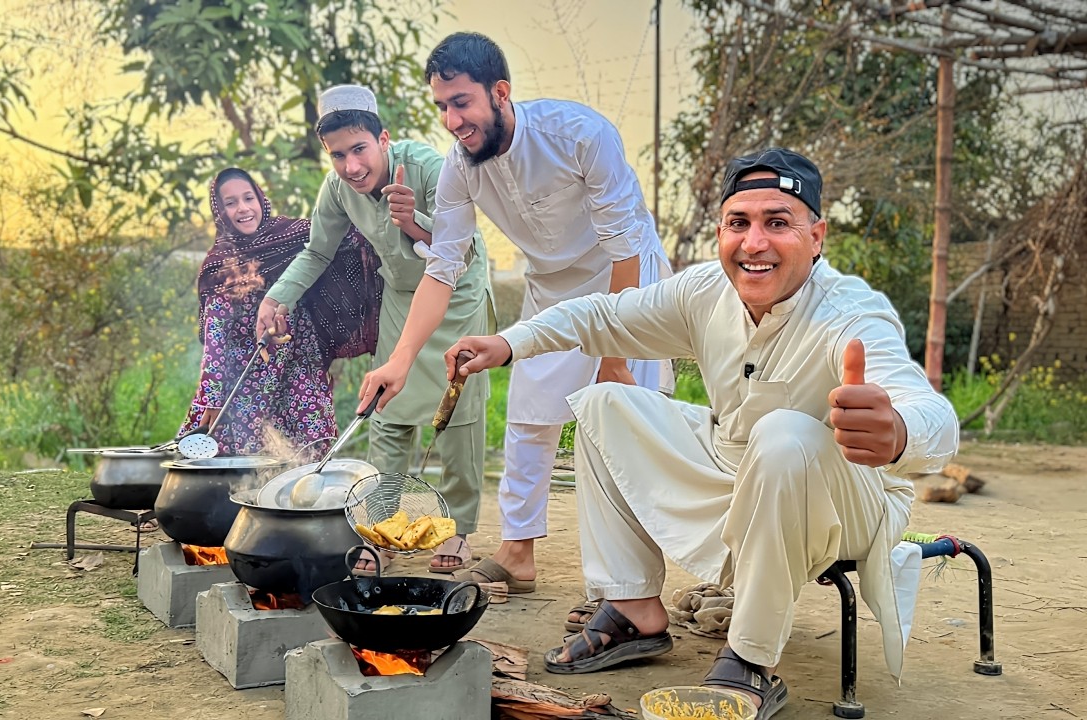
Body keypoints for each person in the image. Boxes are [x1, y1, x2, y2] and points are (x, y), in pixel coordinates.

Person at [445, 148, 960, 719]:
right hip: (730, 465)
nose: (754, 243)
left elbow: (931, 412)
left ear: (817, 236)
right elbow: (601, 315)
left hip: (840, 500)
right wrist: (510, 343)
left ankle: (750, 657)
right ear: (721, 230)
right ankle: (634, 608)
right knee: (603, 404)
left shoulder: (851, 315)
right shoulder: (704, 291)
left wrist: (898, 431)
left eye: (777, 223)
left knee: (784, 434)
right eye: (739, 223)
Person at [357, 31, 674, 595]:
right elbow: (441, 268)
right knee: (529, 416)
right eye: (442, 107)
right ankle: (517, 553)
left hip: (627, 282)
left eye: (462, 103)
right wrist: (400, 361)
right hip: (551, 287)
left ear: (499, 92)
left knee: (624, 425)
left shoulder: (580, 135)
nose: (452, 121)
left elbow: (625, 246)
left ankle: (628, 589)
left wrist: (613, 357)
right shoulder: (461, 168)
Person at [257, 85, 494, 573]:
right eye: (338, 155)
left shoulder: (430, 167)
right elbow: (318, 252)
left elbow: (461, 250)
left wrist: (412, 222)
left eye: (359, 149)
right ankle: (381, 523)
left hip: (457, 294)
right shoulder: (338, 188)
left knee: (457, 412)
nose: (351, 166)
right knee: (385, 409)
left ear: (383, 139)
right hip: (402, 299)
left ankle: (457, 528)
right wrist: (278, 295)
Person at [178, 167, 381, 459]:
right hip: (246, 378)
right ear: (219, 211)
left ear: (261, 199)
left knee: (313, 447)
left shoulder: (292, 238)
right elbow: (215, 342)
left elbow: (338, 235)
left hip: (299, 363)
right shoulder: (219, 266)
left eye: (249, 198)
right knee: (242, 461)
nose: (243, 208)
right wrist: (212, 398)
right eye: (231, 202)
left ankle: (307, 500)